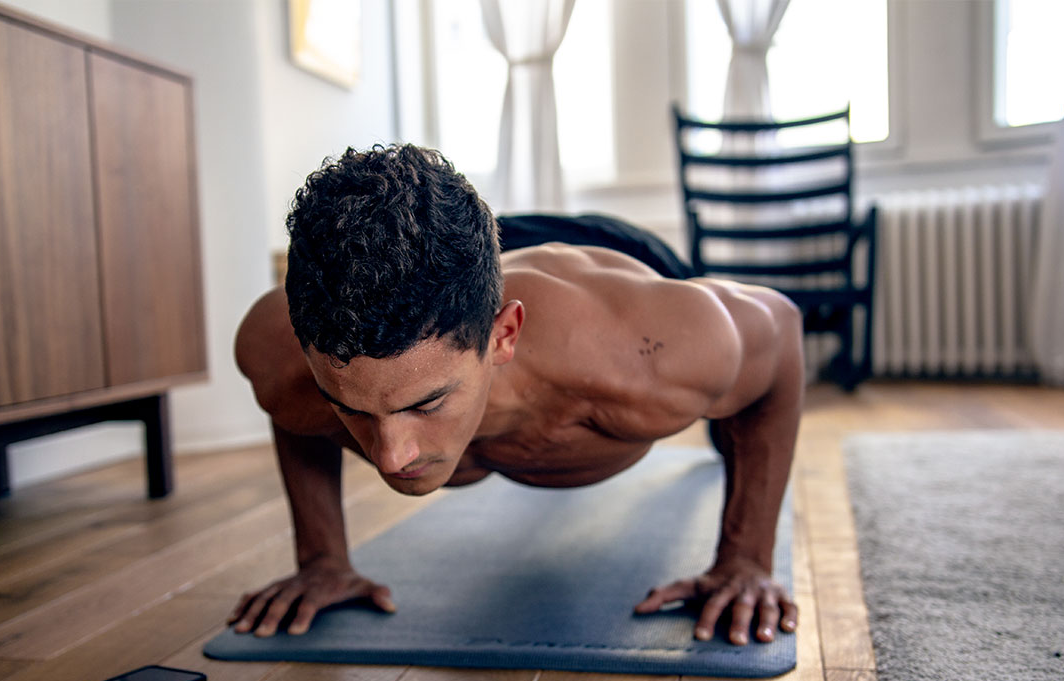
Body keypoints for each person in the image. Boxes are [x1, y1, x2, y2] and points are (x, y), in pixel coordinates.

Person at [230, 144, 801, 647]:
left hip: (609, 260)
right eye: (350, 408)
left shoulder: (652, 350)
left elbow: (783, 337)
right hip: (455, 263)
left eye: (426, 404)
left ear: (503, 337)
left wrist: (747, 557)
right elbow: (297, 411)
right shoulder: (283, 360)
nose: (390, 456)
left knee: (729, 428)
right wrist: (322, 558)